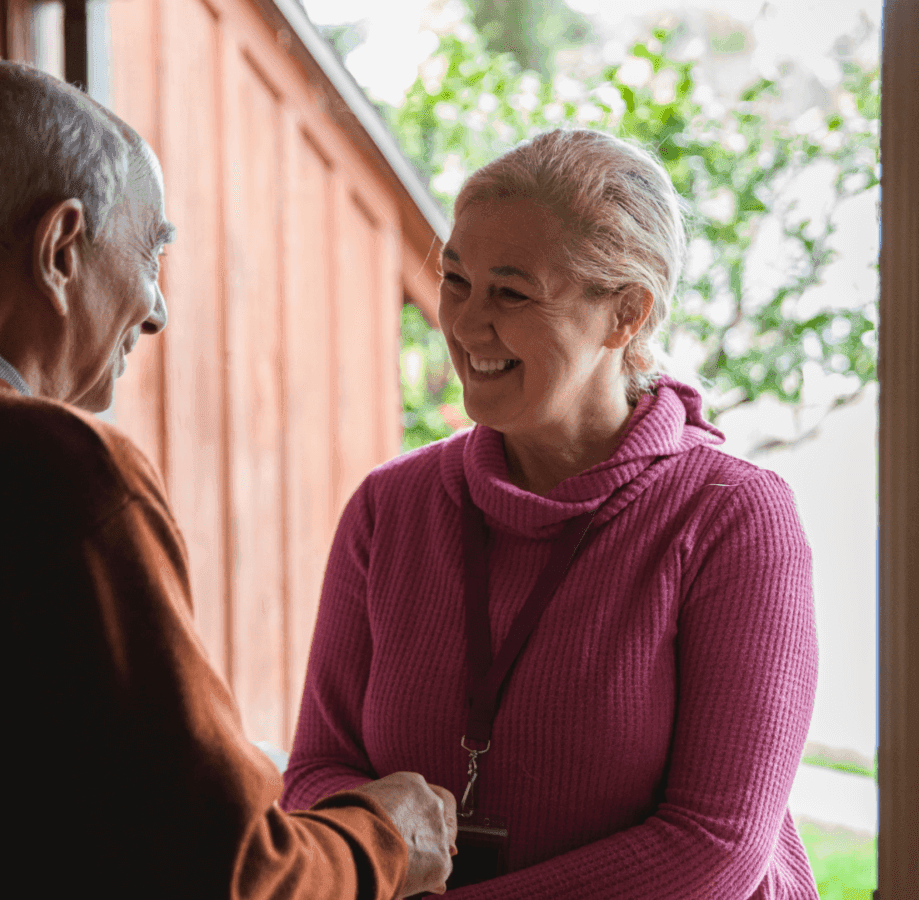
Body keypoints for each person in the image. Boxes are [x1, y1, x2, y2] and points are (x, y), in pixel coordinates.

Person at [0, 61, 456, 899]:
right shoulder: (60, 476)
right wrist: (386, 838)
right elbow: (229, 872)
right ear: (60, 249)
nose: (158, 309)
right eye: (149, 253)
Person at [280, 129, 820, 898]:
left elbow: (715, 848)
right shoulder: (388, 507)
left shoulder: (733, 519)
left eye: (511, 292)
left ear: (626, 314)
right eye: (457, 280)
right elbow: (316, 774)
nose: (465, 327)